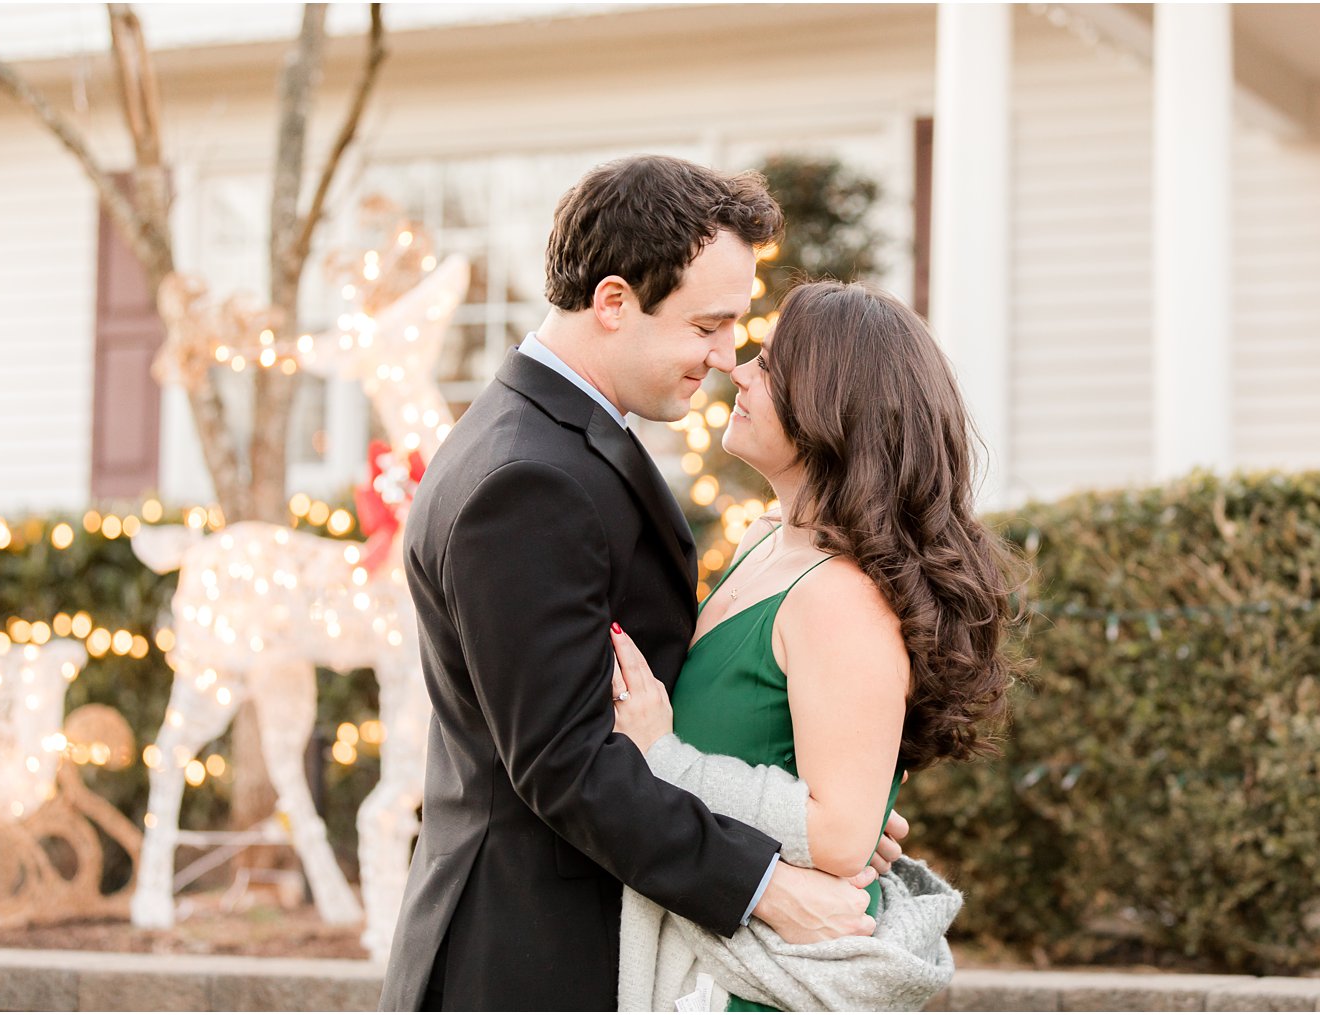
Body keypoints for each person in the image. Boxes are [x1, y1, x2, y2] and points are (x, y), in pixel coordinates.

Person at [377, 156, 907, 1012]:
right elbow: (565, 762)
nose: (725, 356)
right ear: (615, 301)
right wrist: (767, 884)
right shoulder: (529, 479)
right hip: (528, 956)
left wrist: (807, 822)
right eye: (708, 324)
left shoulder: (554, 440)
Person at [607, 279, 1023, 1011]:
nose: (738, 371)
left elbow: (836, 833)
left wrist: (664, 757)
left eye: (769, 364)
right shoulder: (763, 542)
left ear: (832, 406)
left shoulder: (840, 596)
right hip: (709, 959)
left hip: (758, 992)